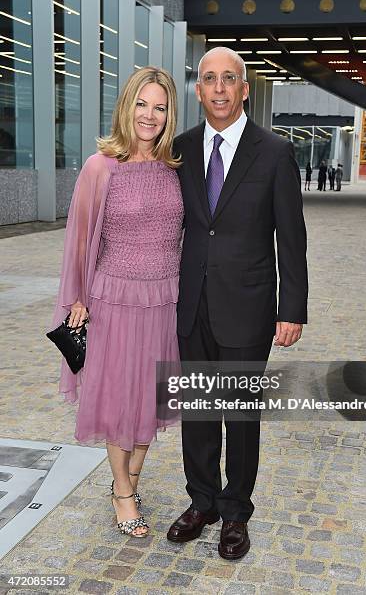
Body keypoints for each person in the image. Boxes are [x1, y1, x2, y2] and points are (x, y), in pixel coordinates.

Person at [166, 47, 308, 560]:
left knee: (240, 416)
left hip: (248, 309)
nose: (220, 88)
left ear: (245, 89)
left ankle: (234, 512)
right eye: (209, 79)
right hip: (190, 306)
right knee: (199, 412)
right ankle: (201, 501)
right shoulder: (178, 150)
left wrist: (291, 307)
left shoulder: (274, 152)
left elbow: (291, 236)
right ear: (198, 90)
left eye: (230, 79)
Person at [50, 67, 183, 538]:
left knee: (151, 400)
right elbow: (79, 238)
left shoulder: (174, 166)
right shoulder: (100, 166)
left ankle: (128, 480)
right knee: (118, 399)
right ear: (127, 107)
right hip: (114, 300)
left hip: (165, 299)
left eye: (160, 107)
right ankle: (123, 493)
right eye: (142, 105)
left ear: (169, 115)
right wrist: (77, 298)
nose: (150, 115)